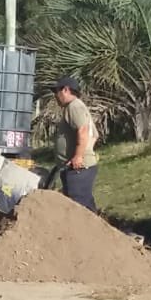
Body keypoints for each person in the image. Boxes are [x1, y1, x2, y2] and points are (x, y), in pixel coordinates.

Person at [51, 76, 99, 212]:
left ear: (66, 90)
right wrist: (86, 150)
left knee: (79, 208)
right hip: (75, 167)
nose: (55, 96)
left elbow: (83, 131)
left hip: (78, 169)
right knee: (85, 205)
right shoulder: (76, 107)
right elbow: (94, 135)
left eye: (56, 91)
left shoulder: (74, 107)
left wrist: (79, 156)